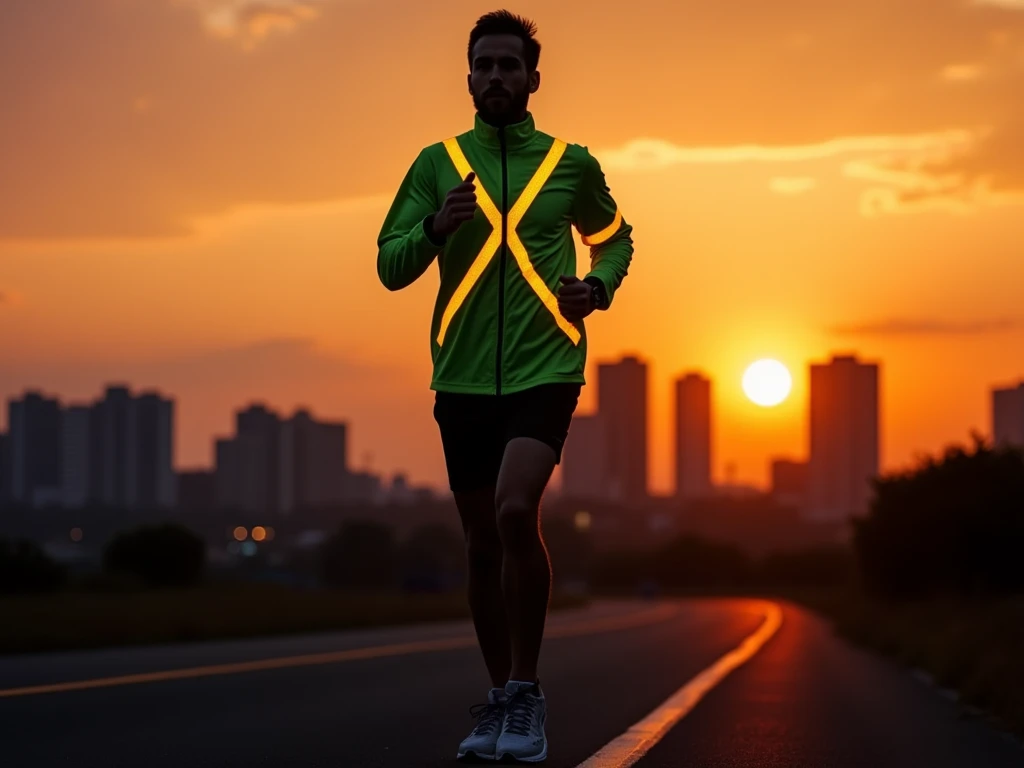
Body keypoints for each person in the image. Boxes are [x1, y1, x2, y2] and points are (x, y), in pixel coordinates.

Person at [376, 9, 633, 763]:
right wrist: (433, 231)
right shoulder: (436, 164)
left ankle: (527, 690)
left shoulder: (570, 164)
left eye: (508, 66)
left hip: (546, 365)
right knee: (481, 540)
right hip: (458, 378)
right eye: (483, 65)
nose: (495, 77)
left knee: (516, 509)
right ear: (469, 78)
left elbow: (614, 235)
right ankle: (500, 702)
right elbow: (389, 266)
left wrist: (598, 287)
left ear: (532, 80)